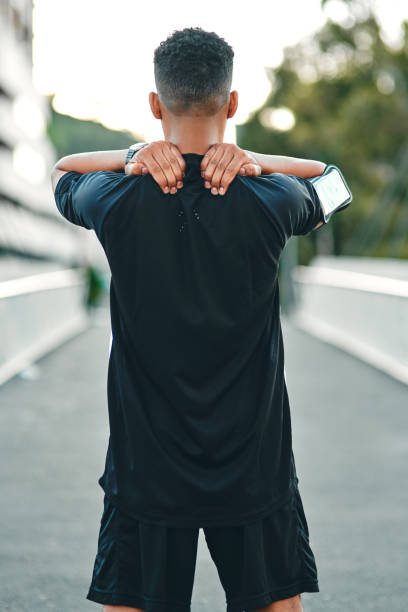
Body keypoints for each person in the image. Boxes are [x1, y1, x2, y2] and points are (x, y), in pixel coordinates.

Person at [51, 27, 331, 612]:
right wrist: (254, 161)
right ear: (233, 103)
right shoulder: (272, 197)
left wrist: (129, 157)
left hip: (145, 464)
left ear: (155, 105)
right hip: (253, 461)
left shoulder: (113, 196)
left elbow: (62, 173)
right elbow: (332, 182)